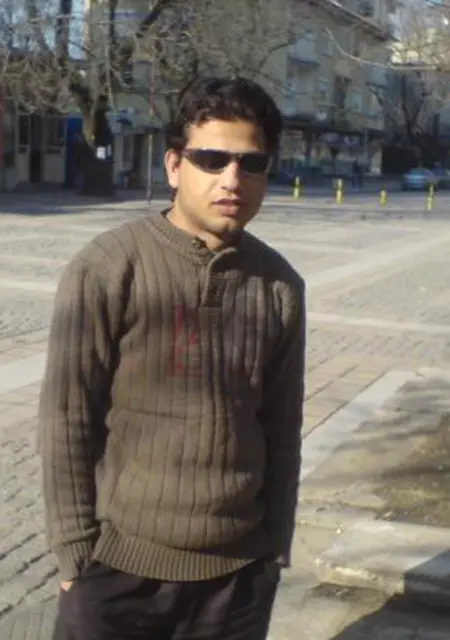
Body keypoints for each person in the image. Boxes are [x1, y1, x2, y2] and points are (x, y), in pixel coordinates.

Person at [39, 76, 306, 640]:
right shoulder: (108, 267)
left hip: (237, 583)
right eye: (211, 160)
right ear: (174, 165)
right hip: (118, 573)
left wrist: (274, 550)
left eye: (251, 163)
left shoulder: (280, 285)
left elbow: (282, 429)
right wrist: (75, 556)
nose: (232, 179)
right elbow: (67, 419)